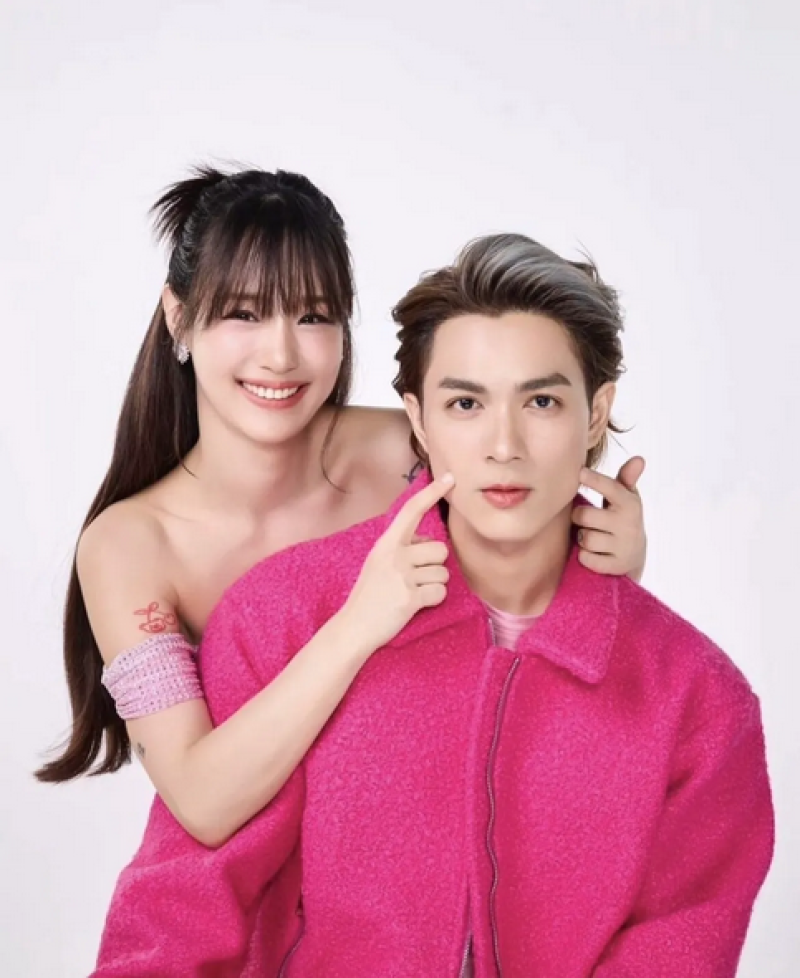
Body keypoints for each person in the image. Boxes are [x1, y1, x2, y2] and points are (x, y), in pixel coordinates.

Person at [92, 233, 773, 977]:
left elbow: (681, 942)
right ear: (418, 421)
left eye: (542, 401)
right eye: (465, 403)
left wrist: (611, 597)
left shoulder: (699, 699)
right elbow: (185, 908)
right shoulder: (280, 618)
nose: (504, 445)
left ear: (595, 414)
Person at [36, 168, 648, 849]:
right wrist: (359, 622)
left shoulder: (409, 452)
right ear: (179, 316)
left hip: (431, 851)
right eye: (244, 313)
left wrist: (616, 564)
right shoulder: (128, 546)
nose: (281, 355)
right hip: (266, 882)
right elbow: (201, 802)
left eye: (314, 316)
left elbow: (532, 627)